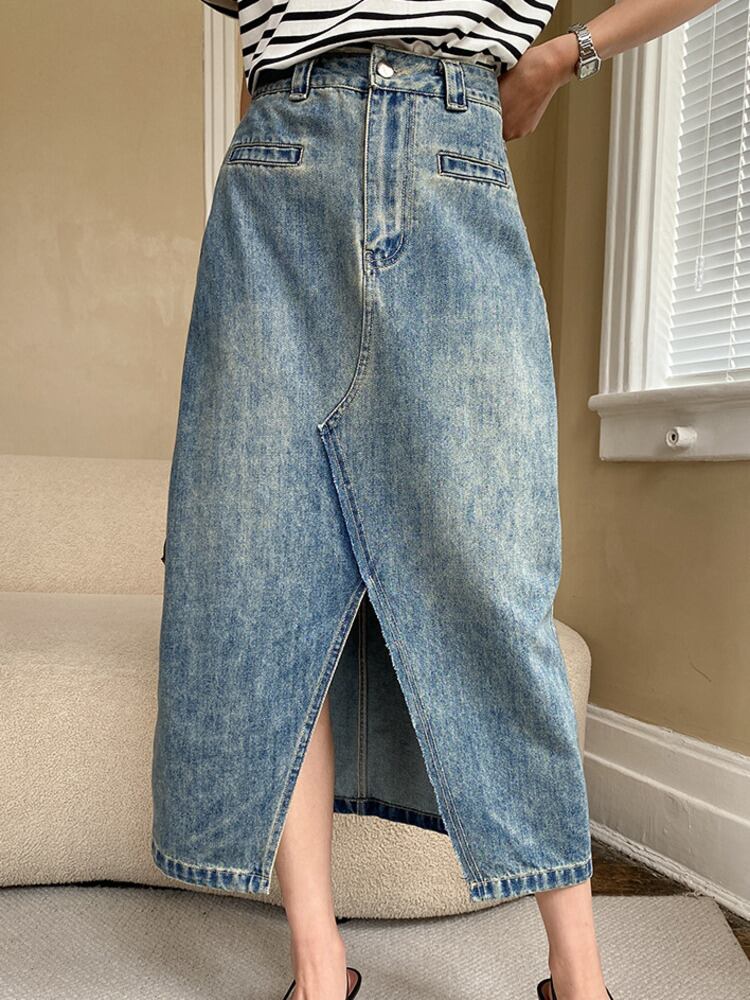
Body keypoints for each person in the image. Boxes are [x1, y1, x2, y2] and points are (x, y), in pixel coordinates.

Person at [151, 3, 722, 999]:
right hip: (275, 179)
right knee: (260, 579)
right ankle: (318, 972)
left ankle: (579, 977)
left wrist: (565, 55)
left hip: (454, 155)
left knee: (491, 582)